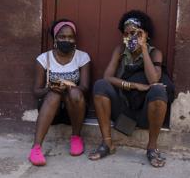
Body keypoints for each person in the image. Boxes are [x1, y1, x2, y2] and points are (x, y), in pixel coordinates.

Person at [89, 10, 173, 168]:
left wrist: (143, 49)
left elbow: (154, 79)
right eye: (126, 34)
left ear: (145, 34)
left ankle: (152, 148)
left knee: (158, 90)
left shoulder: (155, 53)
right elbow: (107, 77)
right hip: (123, 109)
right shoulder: (120, 51)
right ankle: (107, 144)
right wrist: (133, 85)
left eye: (134, 33)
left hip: (144, 113)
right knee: (100, 85)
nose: (130, 38)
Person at [29, 19, 91, 166]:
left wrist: (69, 87)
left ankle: (76, 137)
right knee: (53, 94)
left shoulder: (82, 57)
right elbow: (36, 92)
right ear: (55, 38)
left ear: (75, 39)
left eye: (70, 37)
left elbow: (85, 87)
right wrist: (50, 88)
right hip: (51, 111)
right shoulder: (43, 59)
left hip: (75, 110)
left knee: (75, 93)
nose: (66, 40)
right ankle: (36, 148)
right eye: (62, 37)